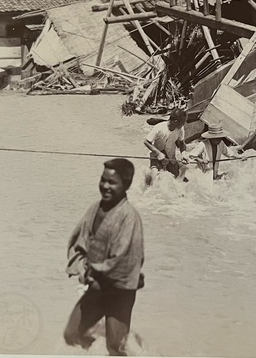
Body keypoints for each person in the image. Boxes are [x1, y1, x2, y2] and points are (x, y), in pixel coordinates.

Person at [64, 159, 144, 356]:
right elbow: (78, 240)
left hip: (120, 290)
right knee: (71, 334)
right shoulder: (95, 208)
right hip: (96, 284)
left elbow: (127, 260)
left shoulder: (129, 217)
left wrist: (96, 271)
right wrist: (82, 268)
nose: (105, 186)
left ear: (126, 185)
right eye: (103, 180)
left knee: (114, 347)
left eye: (112, 182)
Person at [143, 108, 188, 184]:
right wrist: (158, 153)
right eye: (183, 123)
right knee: (154, 176)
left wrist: (183, 154)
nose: (183, 125)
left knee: (178, 178)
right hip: (156, 155)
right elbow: (146, 142)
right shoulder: (159, 128)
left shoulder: (180, 129)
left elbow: (181, 143)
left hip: (170, 155)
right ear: (175, 121)